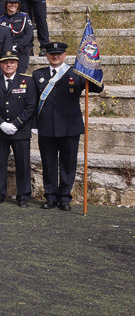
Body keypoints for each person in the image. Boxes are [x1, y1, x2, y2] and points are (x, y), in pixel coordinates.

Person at [33, 41, 102, 211]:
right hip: (47, 126)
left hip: (70, 126)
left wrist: (91, 67)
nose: (55, 56)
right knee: (48, 163)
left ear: (65, 55)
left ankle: (64, 198)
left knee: (68, 163)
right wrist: (34, 124)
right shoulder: (38, 74)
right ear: (47, 55)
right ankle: (50, 196)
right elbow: (33, 102)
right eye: (51, 54)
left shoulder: (77, 73)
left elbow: (98, 87)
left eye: (59, 54)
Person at [0, 50, 37, 206]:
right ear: (0, 64)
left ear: (17, 64)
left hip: (20, 130)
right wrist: (0, 123)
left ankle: (24, 196)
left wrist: (16, 124)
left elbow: (31, 106)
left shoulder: (27, 81)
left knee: (23, 164)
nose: (8, 65)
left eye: (12, 62)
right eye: (5, 62)